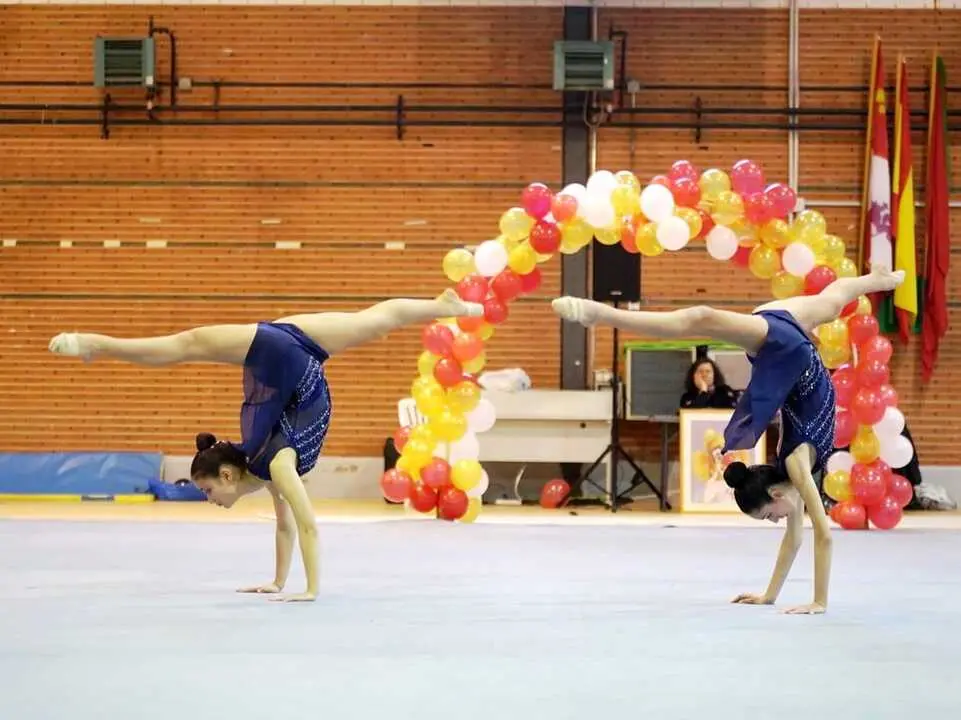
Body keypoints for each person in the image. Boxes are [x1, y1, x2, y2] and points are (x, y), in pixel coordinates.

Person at [48, 290, 485, 603]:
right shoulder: (263, 468)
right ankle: (441, 307)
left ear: (226, 475)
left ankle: (95, 344)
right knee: (374, 319)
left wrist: (310, 590)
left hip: (280, 353)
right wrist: (277, 583)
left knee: (188, 345)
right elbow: (285, 526)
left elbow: (308, 524)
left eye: (208, 491)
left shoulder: (276, 465)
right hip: (299, 350)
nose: (209, 499)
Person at [553, 265, 905, 615]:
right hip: (795, 343)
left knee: (702, 317)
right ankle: (874, 282)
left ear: (776, 493)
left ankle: (597, 313)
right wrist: (769, 596)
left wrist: (819, 602)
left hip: (783, 345)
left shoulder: (796, 467)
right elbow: (797, 539)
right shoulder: (794, 477)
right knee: (831, 302)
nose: (777, 522)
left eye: (769, 517)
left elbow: (823, 535)